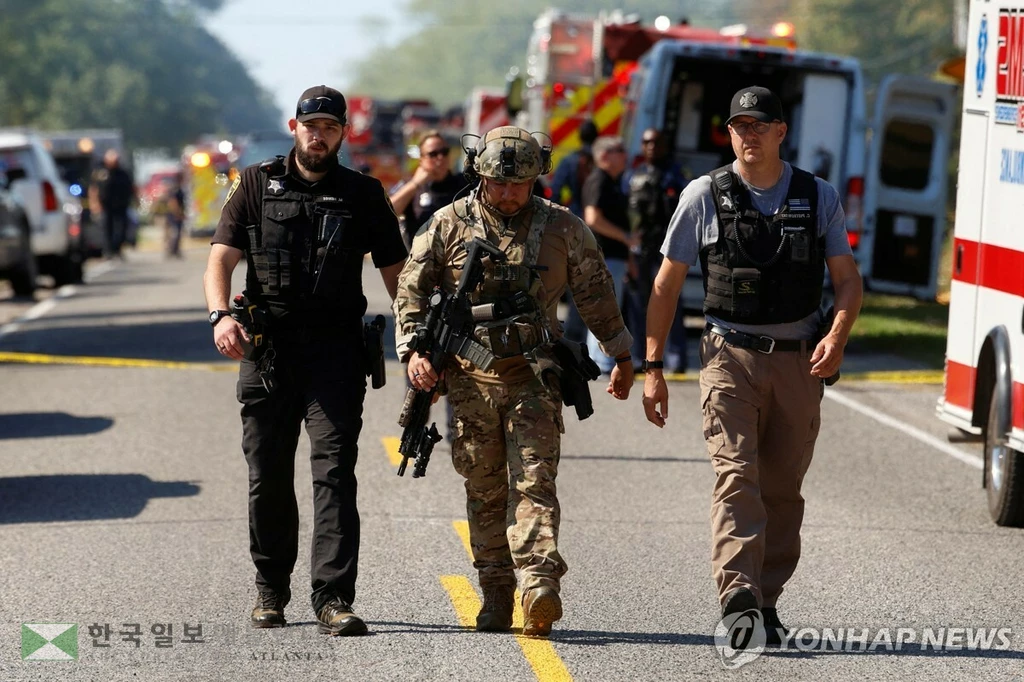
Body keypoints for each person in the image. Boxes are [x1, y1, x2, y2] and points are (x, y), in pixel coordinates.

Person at [641, 86, 862, 645]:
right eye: (739, 125)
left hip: (799, 364)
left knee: (783, 489)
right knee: (736, 475)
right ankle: (738, 594)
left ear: (781, 132)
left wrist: (836, 338)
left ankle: (766, 600)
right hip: (728, 356)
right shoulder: (702, 194)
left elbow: (847, 281)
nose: (749, 134)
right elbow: (666, 285)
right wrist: (651, 366)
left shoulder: (818, 196)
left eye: (760, 125)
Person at [393, 126, 633, 637]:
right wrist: (414, 350)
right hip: (469, 384)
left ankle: (539, 583)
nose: (507, 194)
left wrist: (623, 354)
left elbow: (596, 294)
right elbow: (411, 292)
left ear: (536, 179)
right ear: (479, 175)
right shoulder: (446, 225)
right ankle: (497, 592)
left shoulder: (563, 229)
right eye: (497, 184)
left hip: (534, 379)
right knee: (483, 489)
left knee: (534, 483)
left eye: (518, 185)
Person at [202, 85, 407, 637]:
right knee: (268, 475)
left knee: (334, 474)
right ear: (294, 127)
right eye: (310, 125)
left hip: (336, 355)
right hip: (268, 353)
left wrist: (415, 338)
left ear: (344, 134)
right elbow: (220, 258)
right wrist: (222, 315)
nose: (319, 135)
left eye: (330, 127)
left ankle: (334, 597)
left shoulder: (364, 193)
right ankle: (271, 588)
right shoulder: (253, 184)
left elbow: (396, 273)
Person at [625, 128, 689, 373]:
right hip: (641, 249)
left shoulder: (676, 175)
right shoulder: (633, 176)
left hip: (669, 250)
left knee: (670, 301)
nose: (651, 147)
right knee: (639, 305)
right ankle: (641, 356)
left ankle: (675, 358)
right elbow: (626, 216)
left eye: (656, 142)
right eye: (646, 142)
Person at [582, 136, 638, 375]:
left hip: (614, 257)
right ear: (604, 156)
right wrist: (625, 237)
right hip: (603, 256)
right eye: (619, 150)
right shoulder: (599, 180)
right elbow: (593, 218)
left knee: (607, 308)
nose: (625, 155)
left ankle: (599, 360)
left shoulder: (613, 181)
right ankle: (602, 362)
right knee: (605, 309)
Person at [549, 119, 598, 344]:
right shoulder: (600, 162)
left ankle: (569, 334)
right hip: (597, 228)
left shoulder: (569, 161)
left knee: (567, 281)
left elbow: (556, 193)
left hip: (573, 224)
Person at [388, 129, 468, 248]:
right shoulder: (411, 187)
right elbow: (386, 213)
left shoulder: (464, 183)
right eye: (433, 154)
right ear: (421, 159)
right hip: (422, 260)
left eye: (444, 152)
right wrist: (415, 184)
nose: (440, 158)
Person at [95, 149, 136, 259]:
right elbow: (95, 189)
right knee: (107, 229)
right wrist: (96, 204)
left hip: (121, 206)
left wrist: (134, 200)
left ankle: (118, 249)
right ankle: (108, 251)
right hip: (107, 207)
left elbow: (131, 188)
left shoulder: (123, 173)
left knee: (121, 229)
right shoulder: (102, 173)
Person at [164, 172, 186, 259]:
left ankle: (175, 250)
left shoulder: (178, 188)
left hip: (177, 214)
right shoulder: (175, 189)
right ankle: (172, 250)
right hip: (174, 215)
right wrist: (177, 213)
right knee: (174, 233)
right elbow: (173, 202)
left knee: (177, 233)